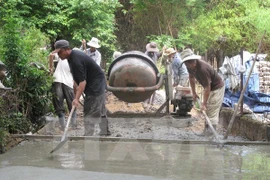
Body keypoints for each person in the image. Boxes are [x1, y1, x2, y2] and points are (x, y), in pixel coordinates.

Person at [52, 39, 110, 136]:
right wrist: (75, 96)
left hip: (95, 84)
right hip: (95, 81)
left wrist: (76, 98)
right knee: (99, 108)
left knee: (90, 109)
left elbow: (82, 82)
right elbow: (76, 80)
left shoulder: (75, 60)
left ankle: (88, 135)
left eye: (59, 52)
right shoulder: (71, 58)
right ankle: (105, 132)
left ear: (66, 50)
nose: (58, 55)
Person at [180, 48, 225, 136]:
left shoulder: (202, 69)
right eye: (187, 63)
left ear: (194, 60)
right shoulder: (189, 66)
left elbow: (207, 87)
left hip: (216, 88)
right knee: (208, 110)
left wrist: (204, 103)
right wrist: (194, 93)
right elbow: (191, 78)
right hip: (209, 87)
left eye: (191, 62)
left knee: (212, 108)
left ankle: (211, 134)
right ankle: (206, 131)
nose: (190, 65)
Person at [49, 53, 77, 131]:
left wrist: (50, 68)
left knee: (58, 105)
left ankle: (63, 126)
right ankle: (73, 125)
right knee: (72, 104)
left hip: (57, 81)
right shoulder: (72, 60)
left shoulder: (62, 56)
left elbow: (51, 55)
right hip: (66, 82)